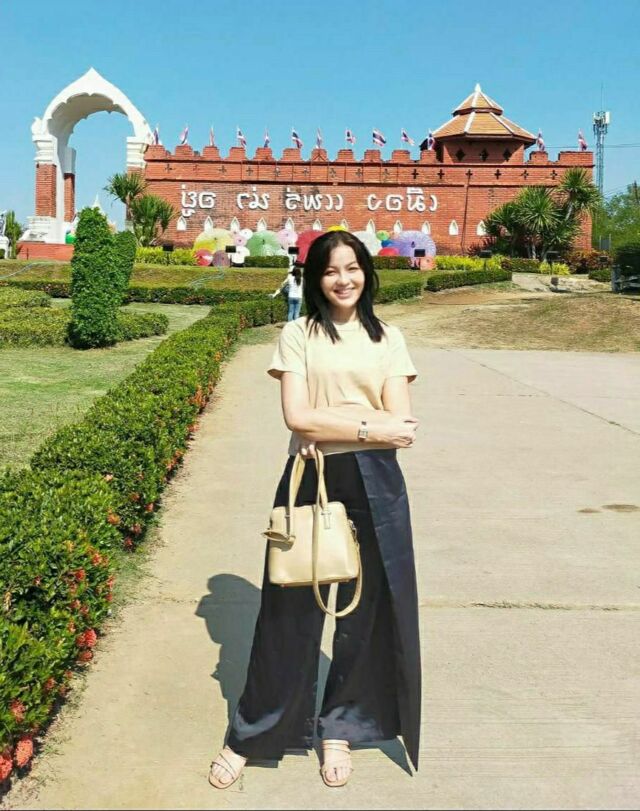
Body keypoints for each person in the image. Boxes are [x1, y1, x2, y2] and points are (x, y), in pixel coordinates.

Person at [209, 230, 421, 789]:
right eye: (330, 270)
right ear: (314, 278)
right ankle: (252, 733)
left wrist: (331, 425)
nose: (343, 280)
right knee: (289, 610)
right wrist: (365, 425)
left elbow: (402, 427)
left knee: (365, 613)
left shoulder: (389, 338)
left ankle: (340, 728)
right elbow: (296, 418)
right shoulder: (298, 334)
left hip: (377, 484)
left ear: (367, 272)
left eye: (352, 268)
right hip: (311, 479)